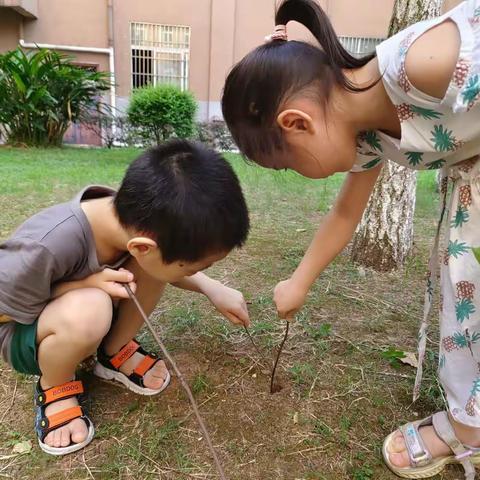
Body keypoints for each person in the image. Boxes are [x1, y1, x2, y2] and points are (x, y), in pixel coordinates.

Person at [221, 0, 480, 477]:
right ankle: (471, 425)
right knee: (466, 306)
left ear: (297, 123)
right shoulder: (364, 133)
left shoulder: (421, 65)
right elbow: (345, 211)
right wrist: (299, 281)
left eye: (290, 164)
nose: (304, 175)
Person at [0, 140, 250, 456]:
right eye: (201, 265)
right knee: (91, 307)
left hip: (77, 310)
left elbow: (164, 265)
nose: (201, 270)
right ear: (142, 247)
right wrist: (80, 286)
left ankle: (112, 351)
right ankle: (55, 386)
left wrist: (212, 287)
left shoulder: (135, 218)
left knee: (150, 272)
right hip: (25, 330)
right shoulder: (47, 246)